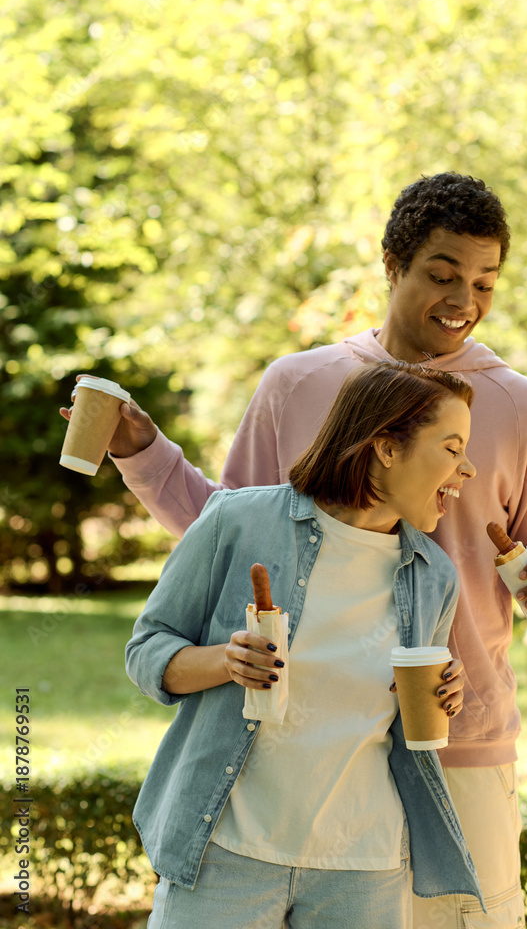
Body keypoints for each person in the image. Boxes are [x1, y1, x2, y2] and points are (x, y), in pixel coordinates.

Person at [62, 171, 527, 927]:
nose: (463, 301)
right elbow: (234, 531)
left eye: (484, 283)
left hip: (455, 735)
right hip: (297, 747)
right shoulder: (299, 383)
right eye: (442, 275)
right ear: (392, 265)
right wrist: (143, 452)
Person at [125, 361, 482, 929]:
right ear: (387, 447)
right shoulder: (237, 520)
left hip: (364, 866)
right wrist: (226, 661)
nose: (468, 468)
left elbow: (412, 717)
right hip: (228, 852)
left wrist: (445, 694)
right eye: (452, 448)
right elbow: (147, 650)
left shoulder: (432, 574)